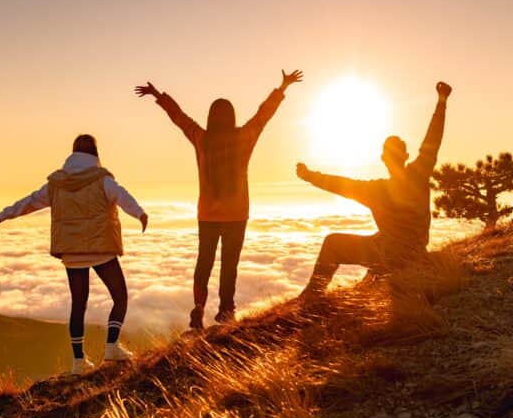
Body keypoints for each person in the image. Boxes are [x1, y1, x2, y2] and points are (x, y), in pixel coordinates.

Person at [135, 70, 303, 329]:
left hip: (208, 214)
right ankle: (226, 309)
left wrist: (159, 96)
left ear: (211, 117)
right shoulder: (243, 138)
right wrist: (282, 88)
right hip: (236, 214)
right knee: (229, 263)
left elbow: (180, 118)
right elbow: (263, 115)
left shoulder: (202, 139)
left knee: (204, 261)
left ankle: (199, 307)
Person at [0, 135, 147, 375]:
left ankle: (78, 362)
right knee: (120, 296)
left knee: (78, 304)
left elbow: (29, 202)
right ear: (95, 154)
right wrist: (141, 214)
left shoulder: (56, 184)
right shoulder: (102, 179)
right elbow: (123, 197)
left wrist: (2, 215)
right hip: (100, 249)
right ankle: (112, 346)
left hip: (72, 253)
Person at [296, 81, 452, 296]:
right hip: (415, 252)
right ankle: (375, 278)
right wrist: (441, 101)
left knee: (333, 243)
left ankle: (312, 296)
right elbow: (433, 139)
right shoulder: (419, 173)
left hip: (390, 255)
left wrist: (308, 175)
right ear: (406, 156)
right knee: (379, 239)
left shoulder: (375, 190)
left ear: (383, 158)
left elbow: (339, 184)